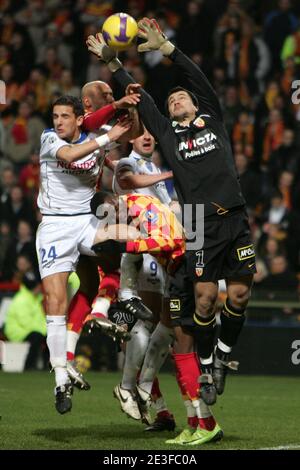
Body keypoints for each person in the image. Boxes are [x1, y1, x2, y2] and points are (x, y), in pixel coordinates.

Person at [86, 18, 256, 445]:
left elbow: (196, 77)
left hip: (232, 213)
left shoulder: (212, 119)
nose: (178, 98)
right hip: (197, 222)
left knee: (238, 295)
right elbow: (142, 102)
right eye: (173, 98)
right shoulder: (167, 133)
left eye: (182, 97)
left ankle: (220, 362)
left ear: (196, 105)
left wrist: (169, 50)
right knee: (201, 302)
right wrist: (114, 63)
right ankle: (194, 390)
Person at [36, 94, 141, 414]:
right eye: (55, 116)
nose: (58, 122)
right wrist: (108, 137)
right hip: (54, 227)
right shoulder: (49, 139)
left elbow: (135, 132)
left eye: (65, 116)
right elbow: (71, 153)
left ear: (80, 119)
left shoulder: (98, 135)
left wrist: (129, 107)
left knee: (135, 235)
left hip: (86, 222)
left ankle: (123, 297)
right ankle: (59, 378)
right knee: (54, 301)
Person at [4, 270, 47, 370]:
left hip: (30, 329)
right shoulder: (21, 300)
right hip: (16, 331)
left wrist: (47, 331)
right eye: (36, 285)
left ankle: (47, 366)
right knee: (37, 337)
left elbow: (39, 319)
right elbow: (26, 323)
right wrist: (45, 331)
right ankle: (28, 366)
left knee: (48, 337)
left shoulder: (36, 298)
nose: (39, 287)